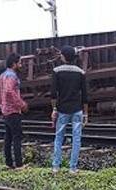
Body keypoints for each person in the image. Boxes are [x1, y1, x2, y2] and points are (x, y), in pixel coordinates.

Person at [51, 45, 89, 174]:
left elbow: (53, 94)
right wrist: (86, 113)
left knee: (59, 138)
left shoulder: (56, 71)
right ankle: (73, 168)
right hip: (77, 109)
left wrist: (54, 109)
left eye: (61, 55)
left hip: (62, 109)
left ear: (64, 57)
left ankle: (56, 166)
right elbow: (85, 95)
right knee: (76, 138)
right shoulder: (80, 72)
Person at [0, 53, 28, 170]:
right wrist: (21, 104)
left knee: (8, 137)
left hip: (6, 111)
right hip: (13, 111)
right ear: (14, 64)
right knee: (17, 137)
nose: (21, 65)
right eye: (20, 63)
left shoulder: (3, 75)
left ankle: (9, 163)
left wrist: (1, 103)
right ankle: (19, 164)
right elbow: (9, 91)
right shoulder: (12, 76)